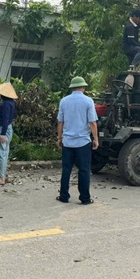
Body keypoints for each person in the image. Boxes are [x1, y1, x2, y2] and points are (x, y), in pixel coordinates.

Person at [56, 76, 99, 205]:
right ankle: (85, 198)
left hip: (68, 142)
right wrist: (95, 139)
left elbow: (60, 122)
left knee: (66, 169)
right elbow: (92, 122)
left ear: (72, 87)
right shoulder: (88, 101)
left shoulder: (64, 101)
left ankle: (64, 196)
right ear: (83, 87)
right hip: (83, 142)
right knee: (84, 170)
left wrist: (59, 138)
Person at [0, 82, 17, 185]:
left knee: (0, 153)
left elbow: (5, 119)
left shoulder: (6, 104)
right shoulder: (11, 103)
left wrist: (3, 133)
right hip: (7, 128)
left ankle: (1, 178)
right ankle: (2, 175)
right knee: (4, 152)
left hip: (2, 128)